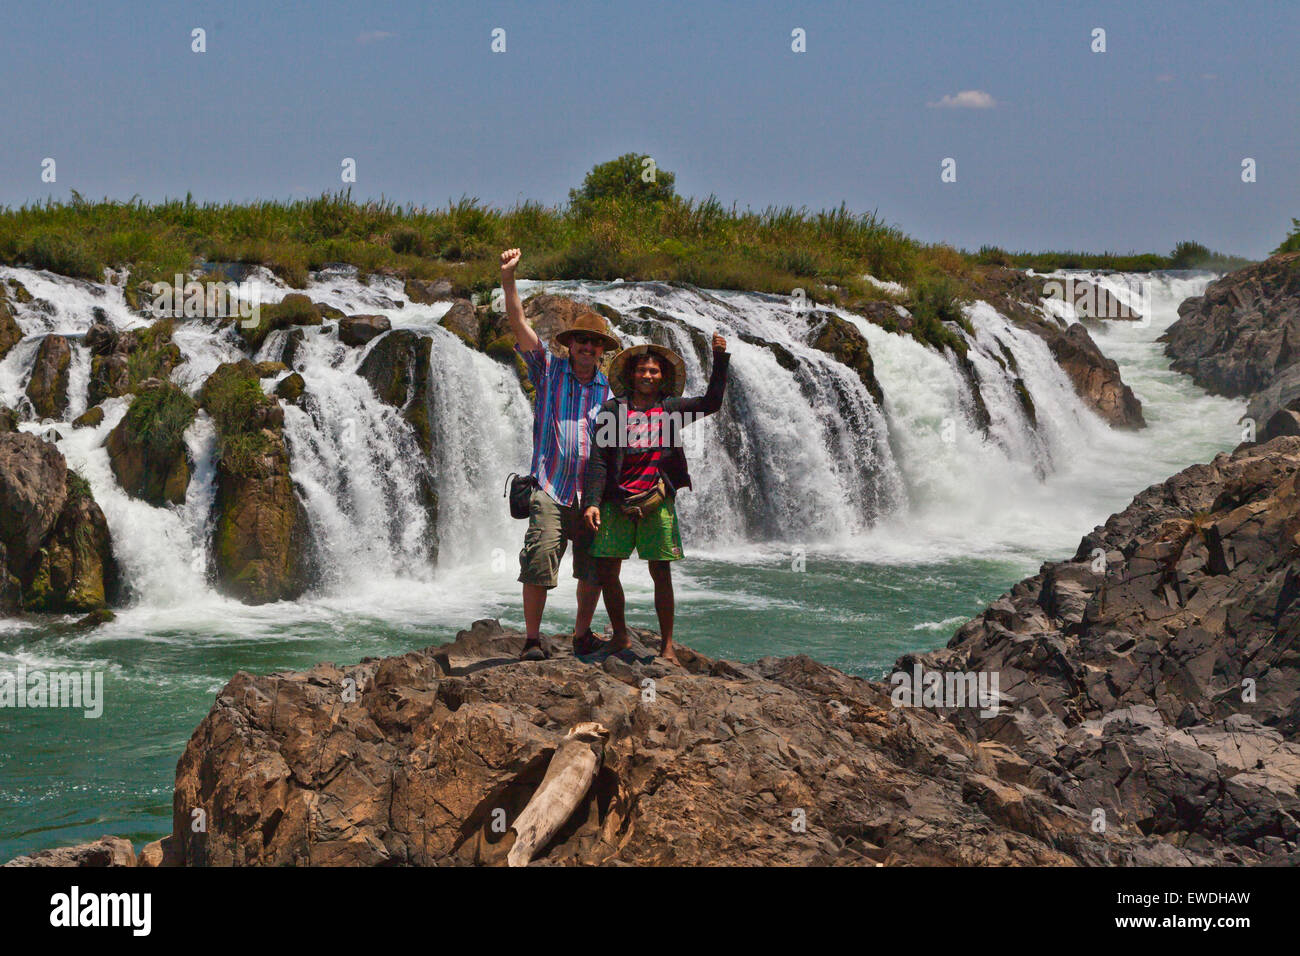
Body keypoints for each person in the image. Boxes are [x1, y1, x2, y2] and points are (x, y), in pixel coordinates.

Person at [501, 248, 621, 660]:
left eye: (594, 342)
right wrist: (508, 278)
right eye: (581, 340)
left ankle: (581, 635)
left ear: (601, 349)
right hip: (550, 488)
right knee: (539, 556)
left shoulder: (610, 392)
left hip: (592, 496)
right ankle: (532, 641)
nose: (587, 347)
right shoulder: (548, 371)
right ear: (570, 345)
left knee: (591, 570)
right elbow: (518, 323)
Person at [582, 332, 730, 665]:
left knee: (660, 571)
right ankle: (620, 636)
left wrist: (719, 359)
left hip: (656, 500)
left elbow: (712, 403)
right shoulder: (613, 410)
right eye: (642, 370)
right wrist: (592, 501)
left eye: (654, 371)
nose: (647, 376)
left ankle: (667, 645)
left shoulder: (672, 410)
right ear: (631, 375)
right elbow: (599, 458)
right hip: (616, 501)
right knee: (608, 571)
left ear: (663, 376)